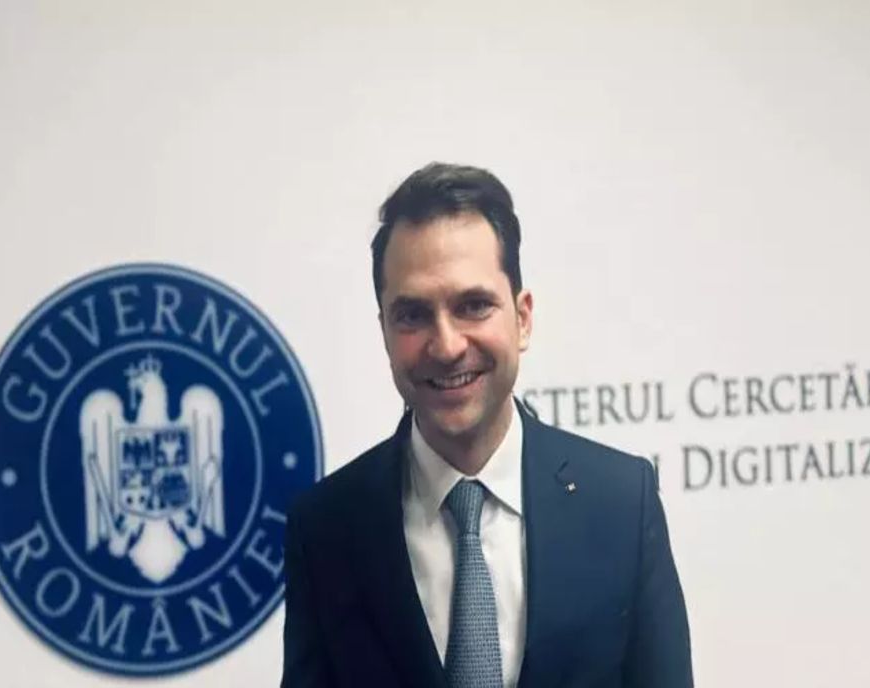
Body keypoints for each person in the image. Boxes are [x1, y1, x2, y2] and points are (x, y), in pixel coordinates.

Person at [281, 163, 692, 688]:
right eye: (412, 315)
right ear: (384, 330)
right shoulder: (326, 530)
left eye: (473, 306)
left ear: (522, 319)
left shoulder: (622, 502)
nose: (447, 345)